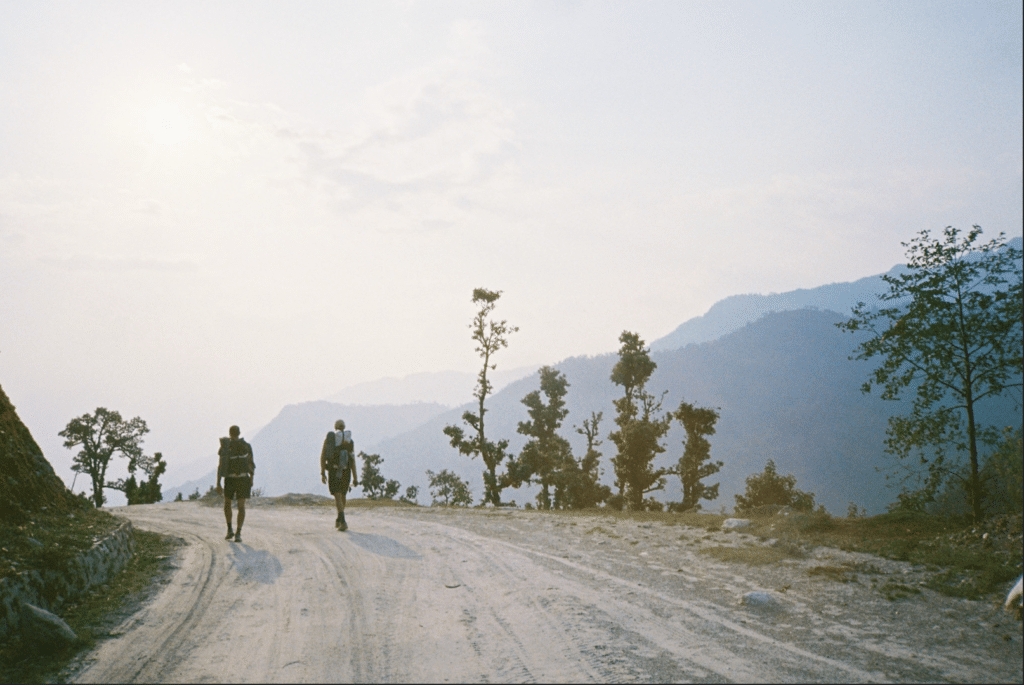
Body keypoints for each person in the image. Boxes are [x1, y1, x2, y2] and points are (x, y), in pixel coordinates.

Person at [216, 425, 255, 542]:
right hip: (243, 479)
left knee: (227, 504)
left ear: (229, 433)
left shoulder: (225, 447)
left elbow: (220, 466)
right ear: (239, 433)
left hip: (230, 479)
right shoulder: (246, 446)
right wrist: (251, 479)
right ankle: (238, 533)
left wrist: (218, 483)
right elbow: (251, 464)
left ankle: (229, 530)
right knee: (241, 507)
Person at [321, 419, 358, 530]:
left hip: (333, 470)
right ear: (344, 427)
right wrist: (355, 477)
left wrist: (322, 473)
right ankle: (340, 518)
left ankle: (342, 520)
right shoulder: (349, 442)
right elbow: (352, 460)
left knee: (337, 495)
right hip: (346, 471)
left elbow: (323, 457)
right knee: (343, 495)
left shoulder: (330, 440)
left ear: (335, 428)